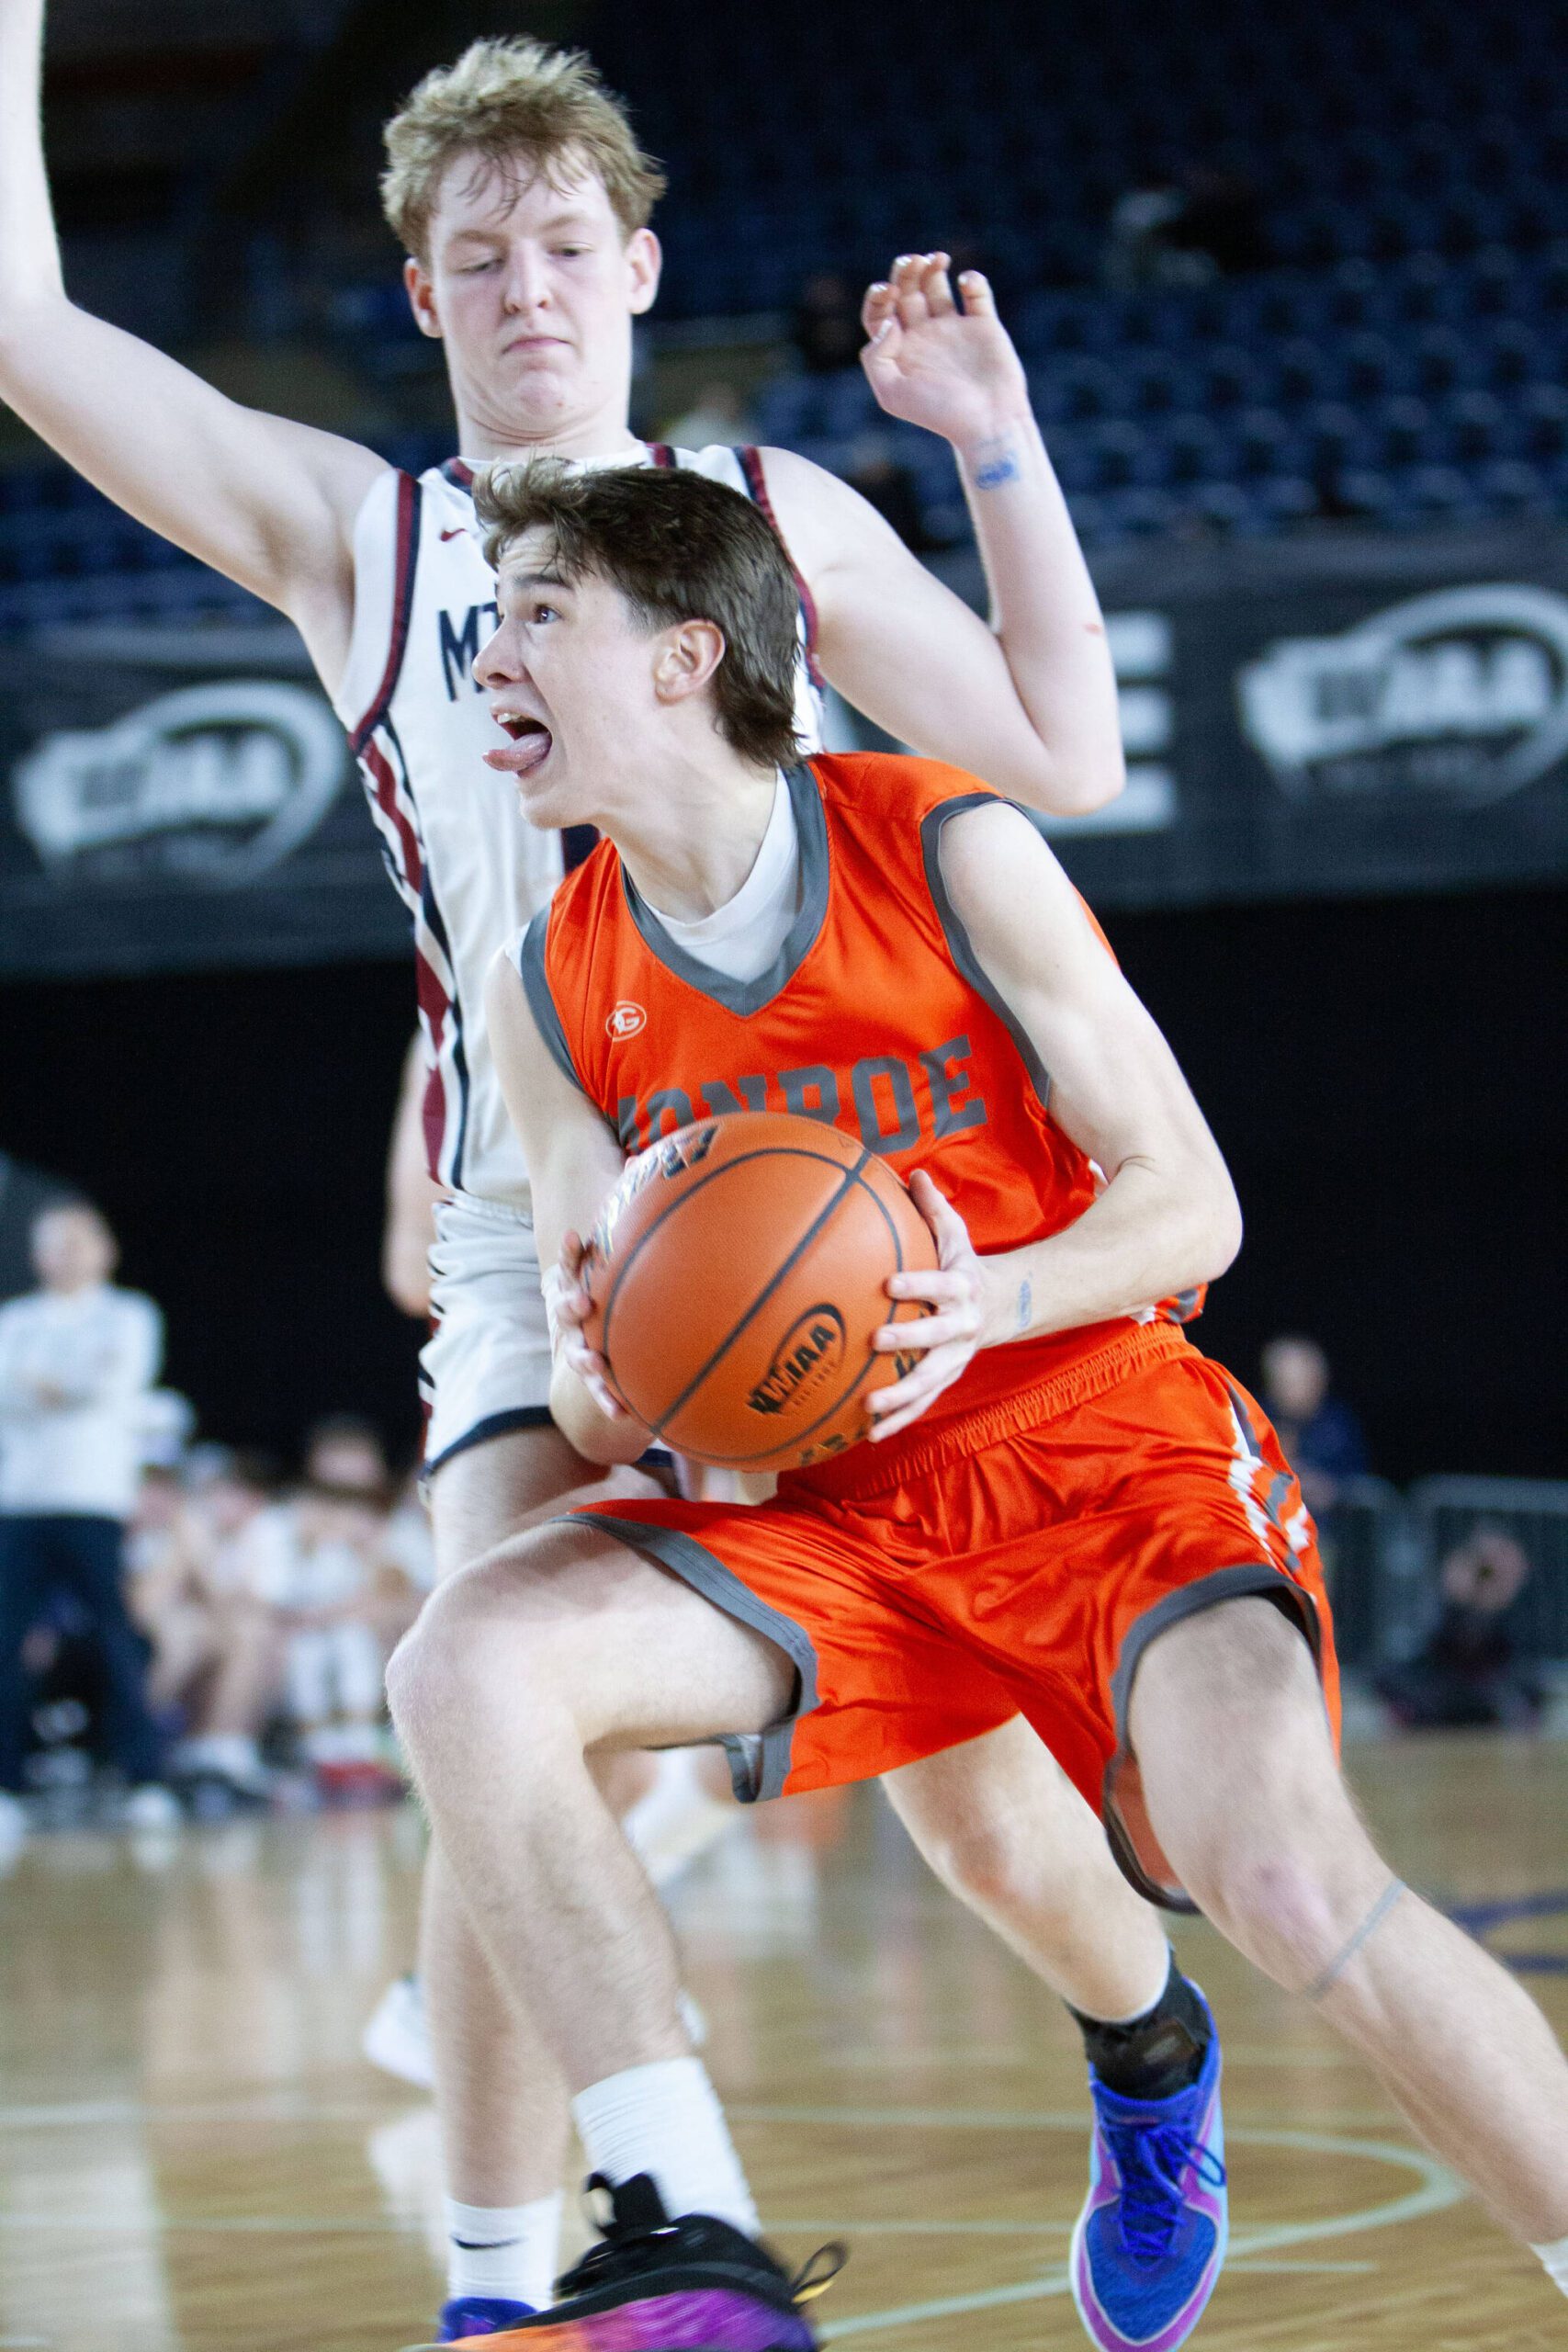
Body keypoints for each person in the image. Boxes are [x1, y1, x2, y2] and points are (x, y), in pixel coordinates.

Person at [0, 17, 1201, 2341]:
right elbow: (28, 328)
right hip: (529, 1206)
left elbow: (1061, 748)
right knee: (478, 1696)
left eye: (565, 241)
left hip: (822, 1185)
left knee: (962, 1809)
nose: (527, 282)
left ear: (637, 265)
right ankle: (496, 2284)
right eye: (478, 251)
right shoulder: (362, 536)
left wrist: (1001, 449)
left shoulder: (767, 513)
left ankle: (1144, 2041)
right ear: (422, 291)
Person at [388, 460, 1568, 2348]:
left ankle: (1191, 2086)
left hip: (1100, 1438)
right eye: (488, 611)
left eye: (536, 607)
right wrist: (612, 1367)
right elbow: (617, 1411)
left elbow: (1192, 1199)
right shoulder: (546, 987)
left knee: (1262, 1867)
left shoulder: (944, 844)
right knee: (465, 1661)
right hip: (829, 1501)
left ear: (686, 653)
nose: (489, 642)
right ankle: (678, 2217)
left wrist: (978, 1298)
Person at [0, 1202, 175, 1836]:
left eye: (78, 1242)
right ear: (38, 1255)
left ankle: (145, 1778)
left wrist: (39, 1384)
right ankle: (6, 1784)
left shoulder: (129, 1315)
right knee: (7, 1642)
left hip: (96, 1501)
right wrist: (60, 1384)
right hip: (20, 1502)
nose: (66, 1255)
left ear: (104, 1249)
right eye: (54, 1244)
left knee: (116, 1637)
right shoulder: (14, 1320)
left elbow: (113, 1385)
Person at [1258, 1334, 1370, 1519]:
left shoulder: (1339, 1423)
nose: (1292, 1392)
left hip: (1331, 1530)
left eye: (1299, 1381)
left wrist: (1331, 1491)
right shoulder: (1254, 1420)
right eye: (1284, 1382)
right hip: (1269, 1530)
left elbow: (1364, 1488)